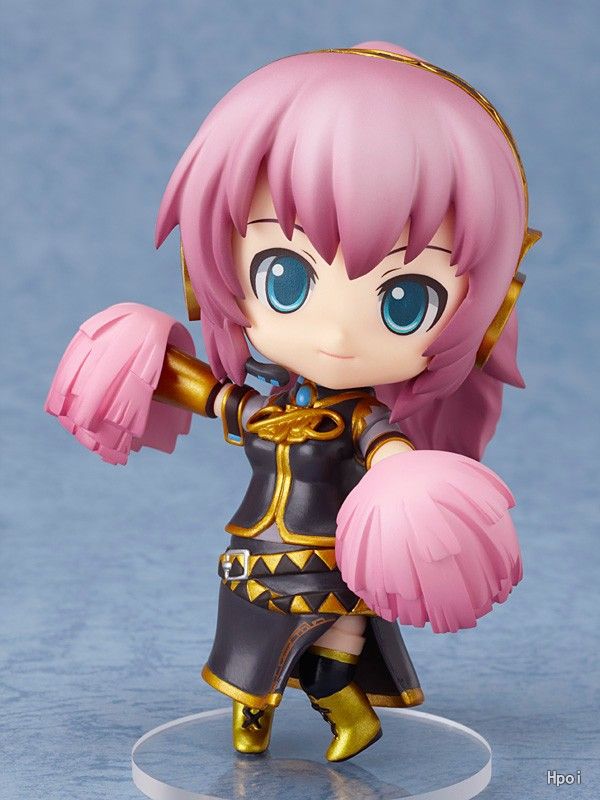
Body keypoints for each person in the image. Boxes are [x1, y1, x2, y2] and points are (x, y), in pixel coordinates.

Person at [46, 42, 538, 762]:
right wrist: (141, 357)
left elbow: (389, 453)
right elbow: (219, 399)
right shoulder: (271, 403)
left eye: (404, 300)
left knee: (331, 658)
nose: (335, 335)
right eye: (285, 278)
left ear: (489, 311)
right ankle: (254, 725)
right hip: (256, 549)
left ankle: (350, 717)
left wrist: (412, 490)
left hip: (333, 560)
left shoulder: (361, 419)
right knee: (246, 660)